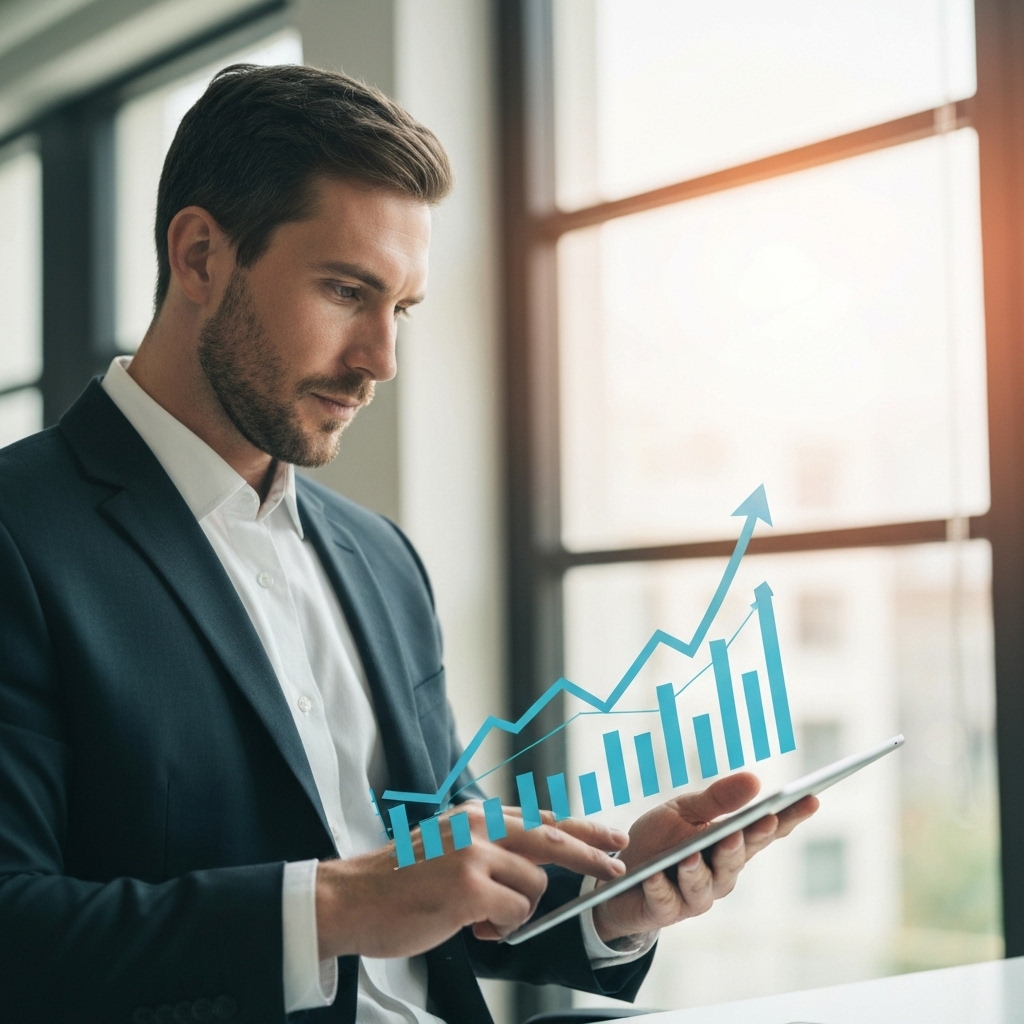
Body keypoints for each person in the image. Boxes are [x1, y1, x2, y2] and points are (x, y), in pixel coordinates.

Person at [0, 64, 817, 1024]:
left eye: (403, 309)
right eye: (348, 291)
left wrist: (612, 894)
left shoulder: (380, 559)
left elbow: (437, 885)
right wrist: (341, 905)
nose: (380, 359)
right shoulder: (22, 535)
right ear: (199, 256)